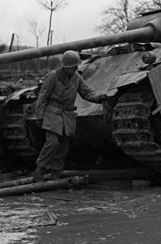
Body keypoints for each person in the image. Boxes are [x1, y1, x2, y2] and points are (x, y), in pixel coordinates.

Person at [33, 50, 107, 181]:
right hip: (53, 113)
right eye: (73, 66)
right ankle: (40, 168)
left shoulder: (76, 77)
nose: (76, 68)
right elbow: (42, 98)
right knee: (52, 143)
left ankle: (55, 172)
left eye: (76, 66)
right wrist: (39, 116)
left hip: (67, 114)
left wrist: (98, 98)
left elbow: (86, 93)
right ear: (66, 66)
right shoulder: (53, 76)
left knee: (63, 147)